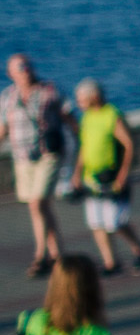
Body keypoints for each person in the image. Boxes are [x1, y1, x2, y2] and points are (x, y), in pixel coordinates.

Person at [72, 81, 140, 276]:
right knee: (96, 223)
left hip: (112, 178)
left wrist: (123, 174)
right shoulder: (87, 118)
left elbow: (129, 144)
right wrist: (77, 173)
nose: (79, 103)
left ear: (94, 97)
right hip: (92, 178)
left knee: (115, 223)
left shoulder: (111, 115)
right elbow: (84, 147)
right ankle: (110, 262)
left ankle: (138, 247)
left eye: (82, 99)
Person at [1, 56, 67, 279]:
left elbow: (68, 117)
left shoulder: (49, 90)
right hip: (22, 158)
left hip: (48, 154)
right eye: (20, 67)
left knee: (37, 203)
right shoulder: (7, 97)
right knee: (41, 207)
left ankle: (41, 256)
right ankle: (57, 253)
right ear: (11, 74)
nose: (26, 70)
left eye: (27, 65)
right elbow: (3, 129)